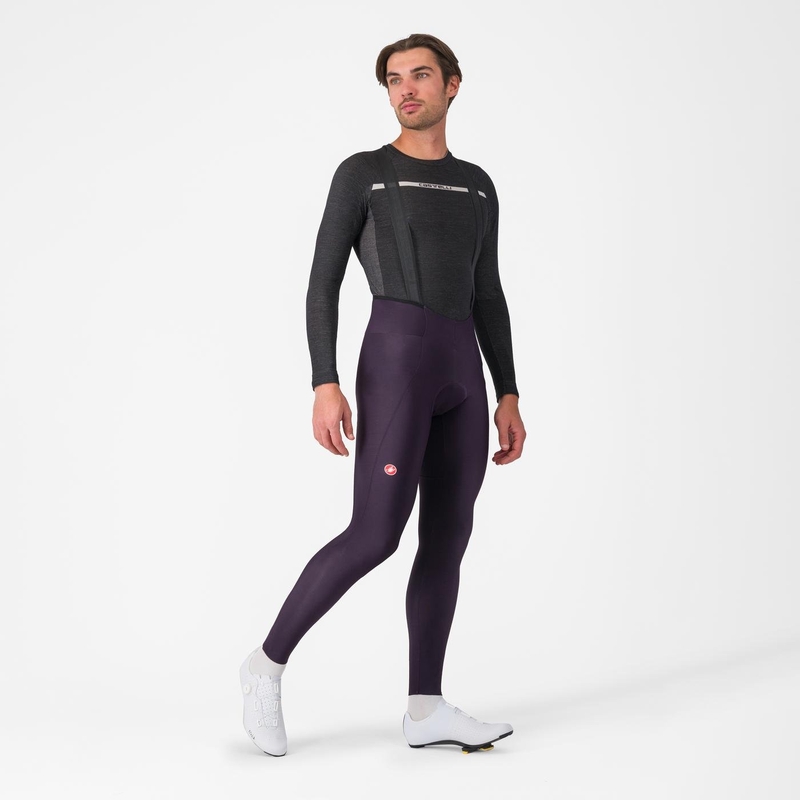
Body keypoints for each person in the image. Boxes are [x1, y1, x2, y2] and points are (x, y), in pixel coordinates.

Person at [239, 32, 526, 757]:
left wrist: (508, 391)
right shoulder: (364, 173)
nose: (407, 90)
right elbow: (322, 281)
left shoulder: (478, 184)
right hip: (396, 364)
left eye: (421, 76)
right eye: (395, 80)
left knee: (448, 538)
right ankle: (265, 666)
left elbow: (487, 292)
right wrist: (324, 380)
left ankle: (425, 709)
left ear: (452, 84)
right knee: (375, 534)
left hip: (463, 374)